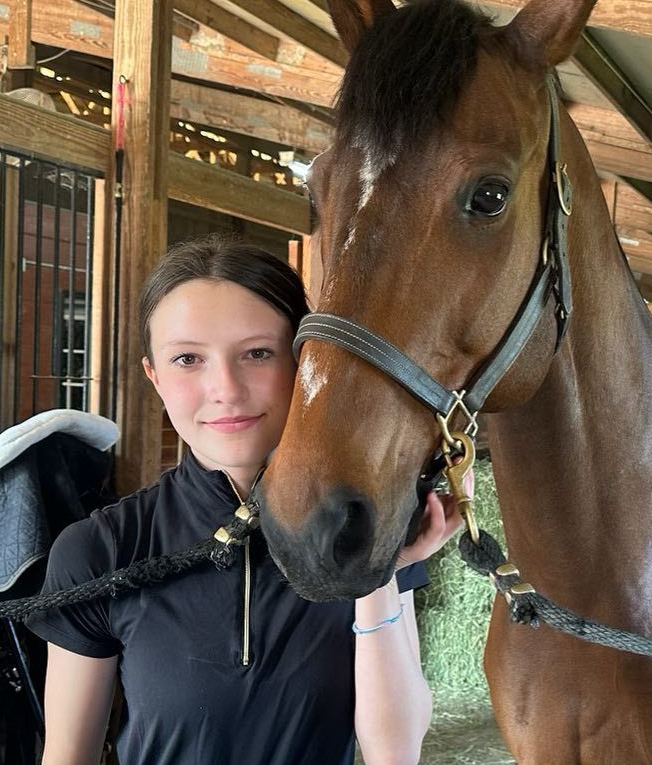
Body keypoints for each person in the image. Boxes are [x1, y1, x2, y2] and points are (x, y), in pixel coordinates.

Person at [26, 234, 465, 765]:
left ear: (303, 364)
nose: (226, 389)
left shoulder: (360, 530)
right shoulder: (102, 549)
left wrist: (377, 570)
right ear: (154, 376)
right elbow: (67, 756)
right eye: (188, 359)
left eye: (257, 353)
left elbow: (394, 751)